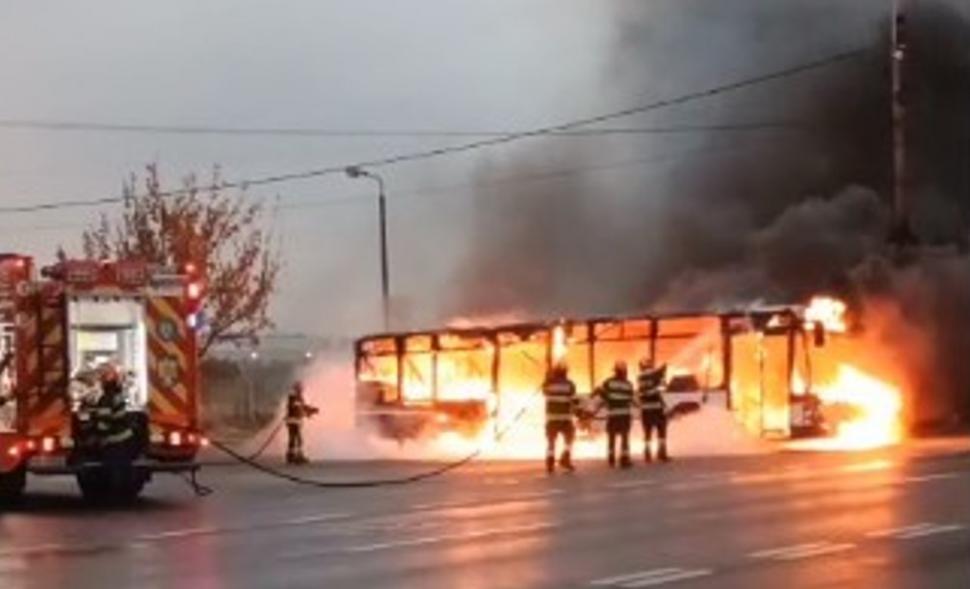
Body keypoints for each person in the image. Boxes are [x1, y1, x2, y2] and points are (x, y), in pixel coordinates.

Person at [595, 360, 635, 469]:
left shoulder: (608, 382)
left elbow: (603, 395)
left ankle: (611, 458)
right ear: (624, 371)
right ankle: (624, 458)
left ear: (615, 371)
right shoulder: (629, 384)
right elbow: (630, 398)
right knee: (624, 436)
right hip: (624, 415)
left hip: (613, 415)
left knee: (611, 436)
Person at [541, 362, 578, 474]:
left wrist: (548, 378)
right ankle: (565, 458)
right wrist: (579, 412)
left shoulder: (548, 384)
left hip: (551, 418)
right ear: (565, 372)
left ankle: (550, 461)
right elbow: (573, 399)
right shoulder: (570, 384)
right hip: (565, 418)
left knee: (551, 441)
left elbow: (544, 391)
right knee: (569, 438)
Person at [637, 359, 670, 463]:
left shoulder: (640, 377)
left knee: (647, 432)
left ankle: (647, 454)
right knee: (661, 430)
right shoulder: (656, 374)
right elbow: (663, 387)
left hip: (645, 409)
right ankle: (662, 453)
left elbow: (642, 392)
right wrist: (662, 376)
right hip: (656, 408)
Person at [285, 381, 318, 465]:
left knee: (293, 438)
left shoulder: (298, 398)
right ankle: (298, 456)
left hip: (295, 421)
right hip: (293, 421)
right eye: (299, 388)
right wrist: (307, 412)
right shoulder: (293, 397)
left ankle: (291, 455)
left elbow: (303, 407)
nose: (301, 390)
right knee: (297, 438)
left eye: (301, 388)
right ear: (296, 389)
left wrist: (311, 410)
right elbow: (296, 408)